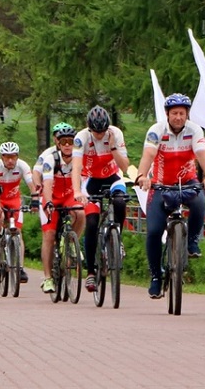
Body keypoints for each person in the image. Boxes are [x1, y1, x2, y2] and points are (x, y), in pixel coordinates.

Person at [134, 92, 205, 299]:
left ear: (187, 114)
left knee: (199, 201)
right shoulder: (156, 131)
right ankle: (156, 276)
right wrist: (142, 175)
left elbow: (201, 153)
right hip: (161, 184)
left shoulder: (195, 130)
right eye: (174, 113)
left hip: (187, 182)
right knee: (153, 231)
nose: (178, 117)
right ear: (167, 114)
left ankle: (192, 241)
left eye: (182, 113)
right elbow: (148, 155)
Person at [71, 105, 131, 293]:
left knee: (120, 202)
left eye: (102, 131)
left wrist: (113, 147)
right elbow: (76, 167)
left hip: (113, 177)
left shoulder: (115, 133)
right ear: (89, 128)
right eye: (96, 131)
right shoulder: (81, 138)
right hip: (90, 181)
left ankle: (117, 238)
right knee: (91, 222)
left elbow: (126, 166)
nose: (99, 135)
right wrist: (76, 192)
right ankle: (90, 272)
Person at [32, 123, 85, 294]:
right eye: (64, 142)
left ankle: (72, 243)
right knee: (49, 235)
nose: (68, 145)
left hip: (69, 195)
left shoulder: (80, 158)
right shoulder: (50, 159)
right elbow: (47, 184)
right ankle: (47, 278)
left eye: (71, 141)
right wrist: (48, 202)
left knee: (81, 213)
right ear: (59, 144)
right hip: (52, 196)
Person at [0, 141, 34, 283]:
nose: (10, 160)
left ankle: (20, 268)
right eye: (7, 157)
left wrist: (34, 199)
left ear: (17, 156)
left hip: (14, 200)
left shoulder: (22, 166)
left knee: (18, 233)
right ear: (2, 157)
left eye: (13, 157)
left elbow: (31, 183)